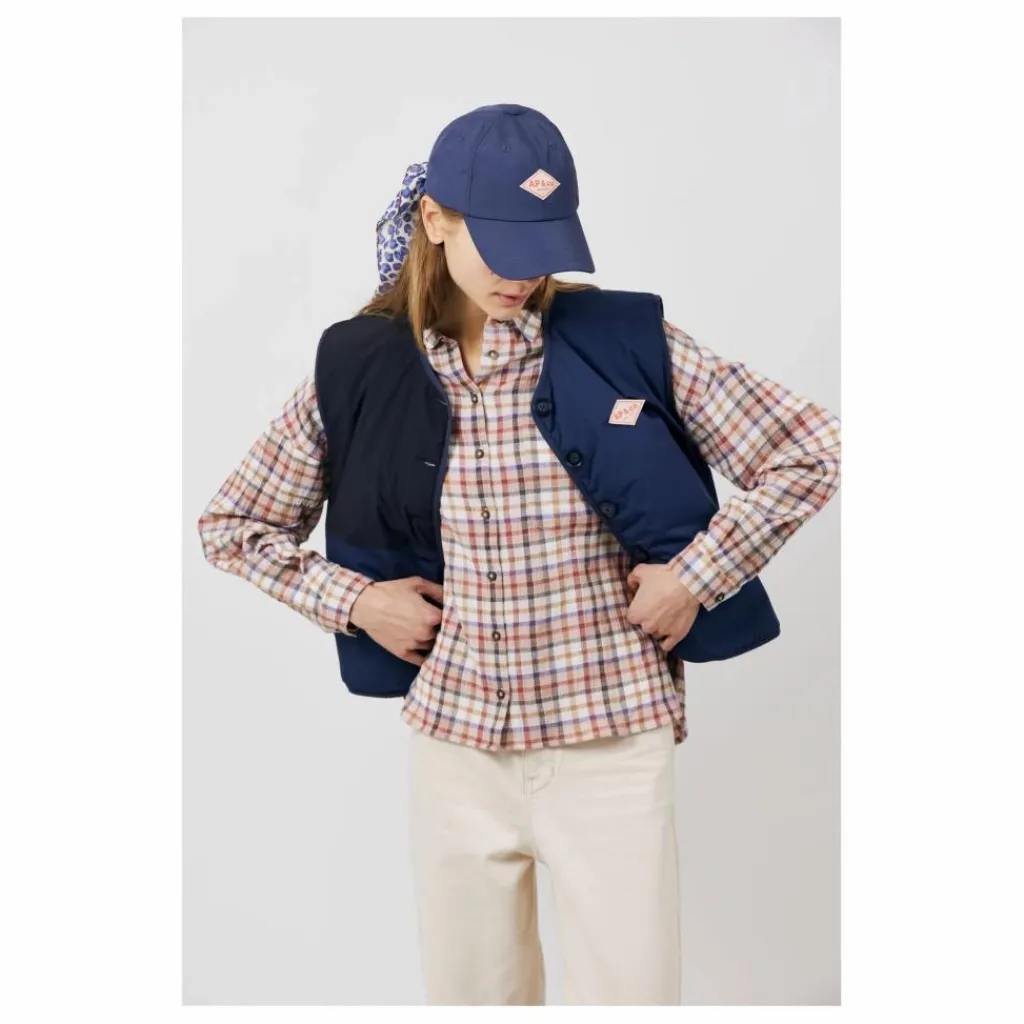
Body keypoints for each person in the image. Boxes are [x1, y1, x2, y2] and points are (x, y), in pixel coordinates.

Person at [197, 102, 841, 1006]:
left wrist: (697, 578)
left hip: (611, 740)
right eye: (502, 242)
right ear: (435, 220)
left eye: (545, 244)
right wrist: (356, 602)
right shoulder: (360, 367)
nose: (526, 271)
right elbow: (233, 525)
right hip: (456, 752)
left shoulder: (625, 342)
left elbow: (812, 449)